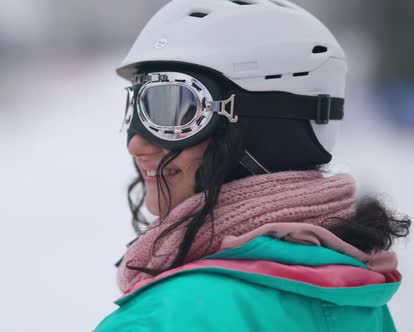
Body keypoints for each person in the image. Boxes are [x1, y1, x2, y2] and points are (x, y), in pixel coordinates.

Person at [94, 0, 411, 331]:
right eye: (139, 105)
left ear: (266, 126)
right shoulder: (356, 296)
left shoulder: (163, 319)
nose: (136, 144)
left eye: (174, 109)